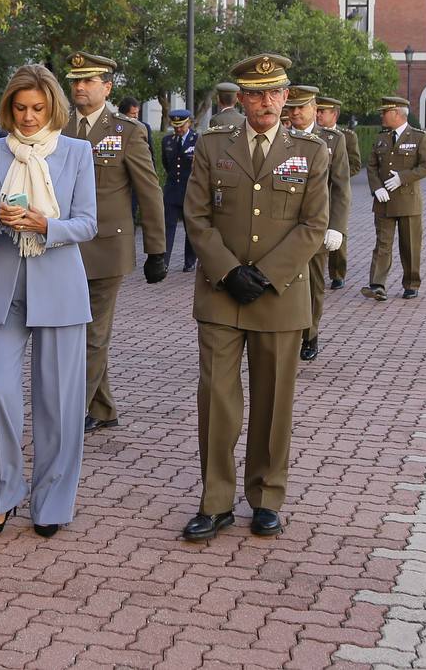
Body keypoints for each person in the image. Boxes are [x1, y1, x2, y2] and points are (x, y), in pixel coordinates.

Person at [179, 54, 329, 541]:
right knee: (217, 402)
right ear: (241, 99)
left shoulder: (310, 151)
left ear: (285, 97)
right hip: (221, 295)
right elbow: (196, 216)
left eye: (274, 93)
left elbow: (314, 225)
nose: (265, 102)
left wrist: (264, 275)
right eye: (256, 94)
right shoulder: (213, 145)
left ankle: (266, 498)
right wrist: (227, 271)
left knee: (273, 403)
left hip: (279, 295)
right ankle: (215, 502)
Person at [0, 64, 97, 539]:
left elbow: (87, 223)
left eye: (37, 108)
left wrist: (46, 225)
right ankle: (2, 495)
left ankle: (51, 504)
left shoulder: (77, 152)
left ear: (52, 108)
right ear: (8, 108)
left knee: (58, 403)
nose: (27, 117)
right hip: (4, 291)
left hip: (60, 288)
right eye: (20, 108)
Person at [63, 51, 168, 434]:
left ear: (107, 88)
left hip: (106, 248)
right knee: (76, 329)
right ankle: (103, 407)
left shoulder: (127, 131)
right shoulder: (59, 127)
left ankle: (72, 412)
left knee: (91, 333)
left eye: (88, 81)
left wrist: (157, 249)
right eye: (75, 81)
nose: (79, 87)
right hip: (64, 246)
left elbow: (149, 190)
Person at [283, 86, 349, 362]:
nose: (295, 113)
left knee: (312, 284)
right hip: (284, 223)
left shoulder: (333, 140)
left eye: (301, 107)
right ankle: (284, 333)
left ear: (314, 108)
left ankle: (310, 335)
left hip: (316, 224)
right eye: (291, 108)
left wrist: (337, 226)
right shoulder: (280, 135)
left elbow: (340, 186)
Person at [364, 95, 426, 302]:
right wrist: (376, 188)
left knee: (410, 246)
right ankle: (377, 285)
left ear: (396, 113)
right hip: (384, 201)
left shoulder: (420, 137)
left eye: (385, 112)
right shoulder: (382, 138)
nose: (381, 116)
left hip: (408, 201)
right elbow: (371, 166)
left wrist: (402, 178)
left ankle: (411, 284)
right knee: (382, 244)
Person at [316, 95, 361, 290]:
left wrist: (338, 176)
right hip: (318, 193)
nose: (318, 115)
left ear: (334, 114)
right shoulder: (315, 134)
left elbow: (355, 164)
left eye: (322, 112)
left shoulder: (346, 136)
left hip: (335, 191)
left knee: (338, 231)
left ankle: (337, 273)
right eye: (317, 111)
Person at [161, 108, 199, 272]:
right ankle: (164, 262)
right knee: (167, 227)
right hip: (172, 191)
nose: (178, 129)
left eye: (181, 126)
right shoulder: (167, 141)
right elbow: (166, 164)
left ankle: (189, 262)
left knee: (190, 228)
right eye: (175, 126)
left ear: (189, 123)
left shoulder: (197, 140)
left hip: (190, 192)